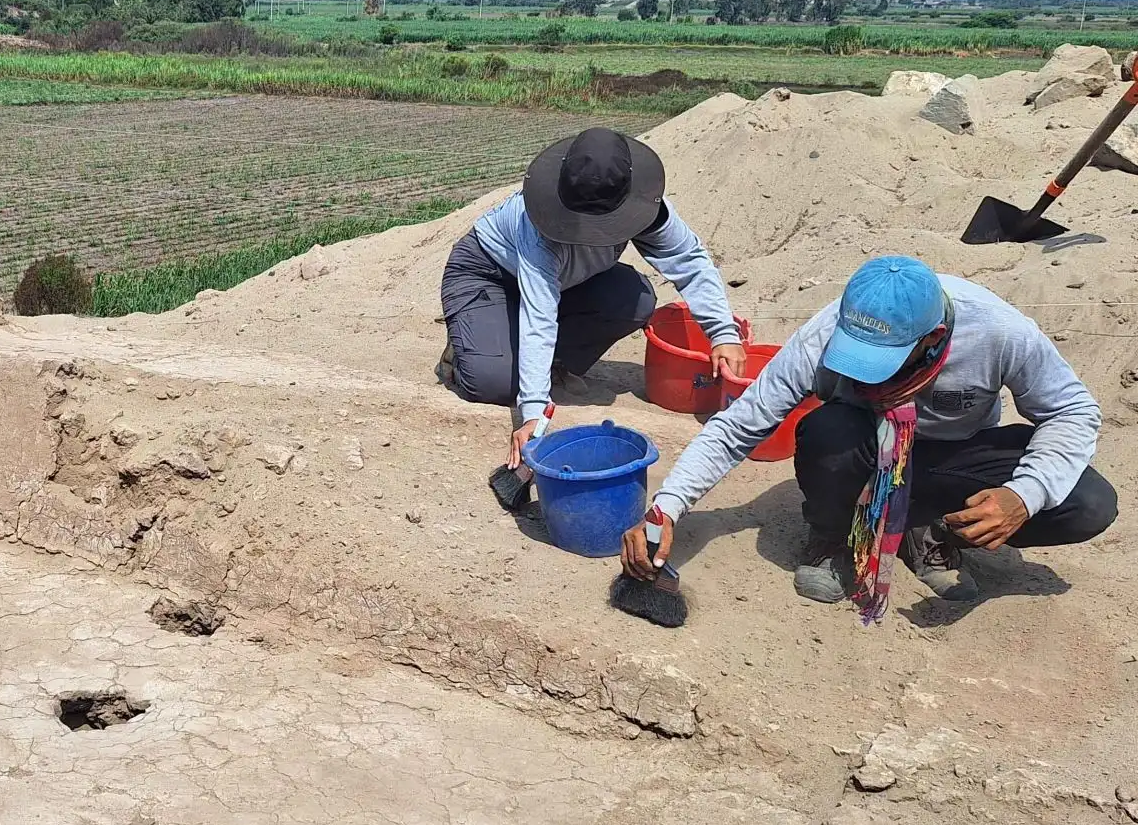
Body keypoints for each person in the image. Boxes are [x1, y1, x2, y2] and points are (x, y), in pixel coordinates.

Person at [622, 256, 1117, 621]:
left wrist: (1022, 495)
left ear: (932, 338)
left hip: (952, 453)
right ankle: (837, 537)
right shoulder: (823, 331)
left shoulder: (999, 332)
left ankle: (932, 531)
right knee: (826, 430)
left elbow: (1073, 412)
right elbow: (736, 426)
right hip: (863, 447)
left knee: (1087, 502)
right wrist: (668, 506)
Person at [439, 128, 747, 471]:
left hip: (564, 283)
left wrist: (723, 334)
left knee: (633, 298)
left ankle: (526, 353)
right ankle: (472, 344)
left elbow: (689, 260)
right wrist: (534, 415)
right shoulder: (539, 222)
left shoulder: (645, 207)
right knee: (494, 382)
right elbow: (539, 317)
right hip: (489, 275)